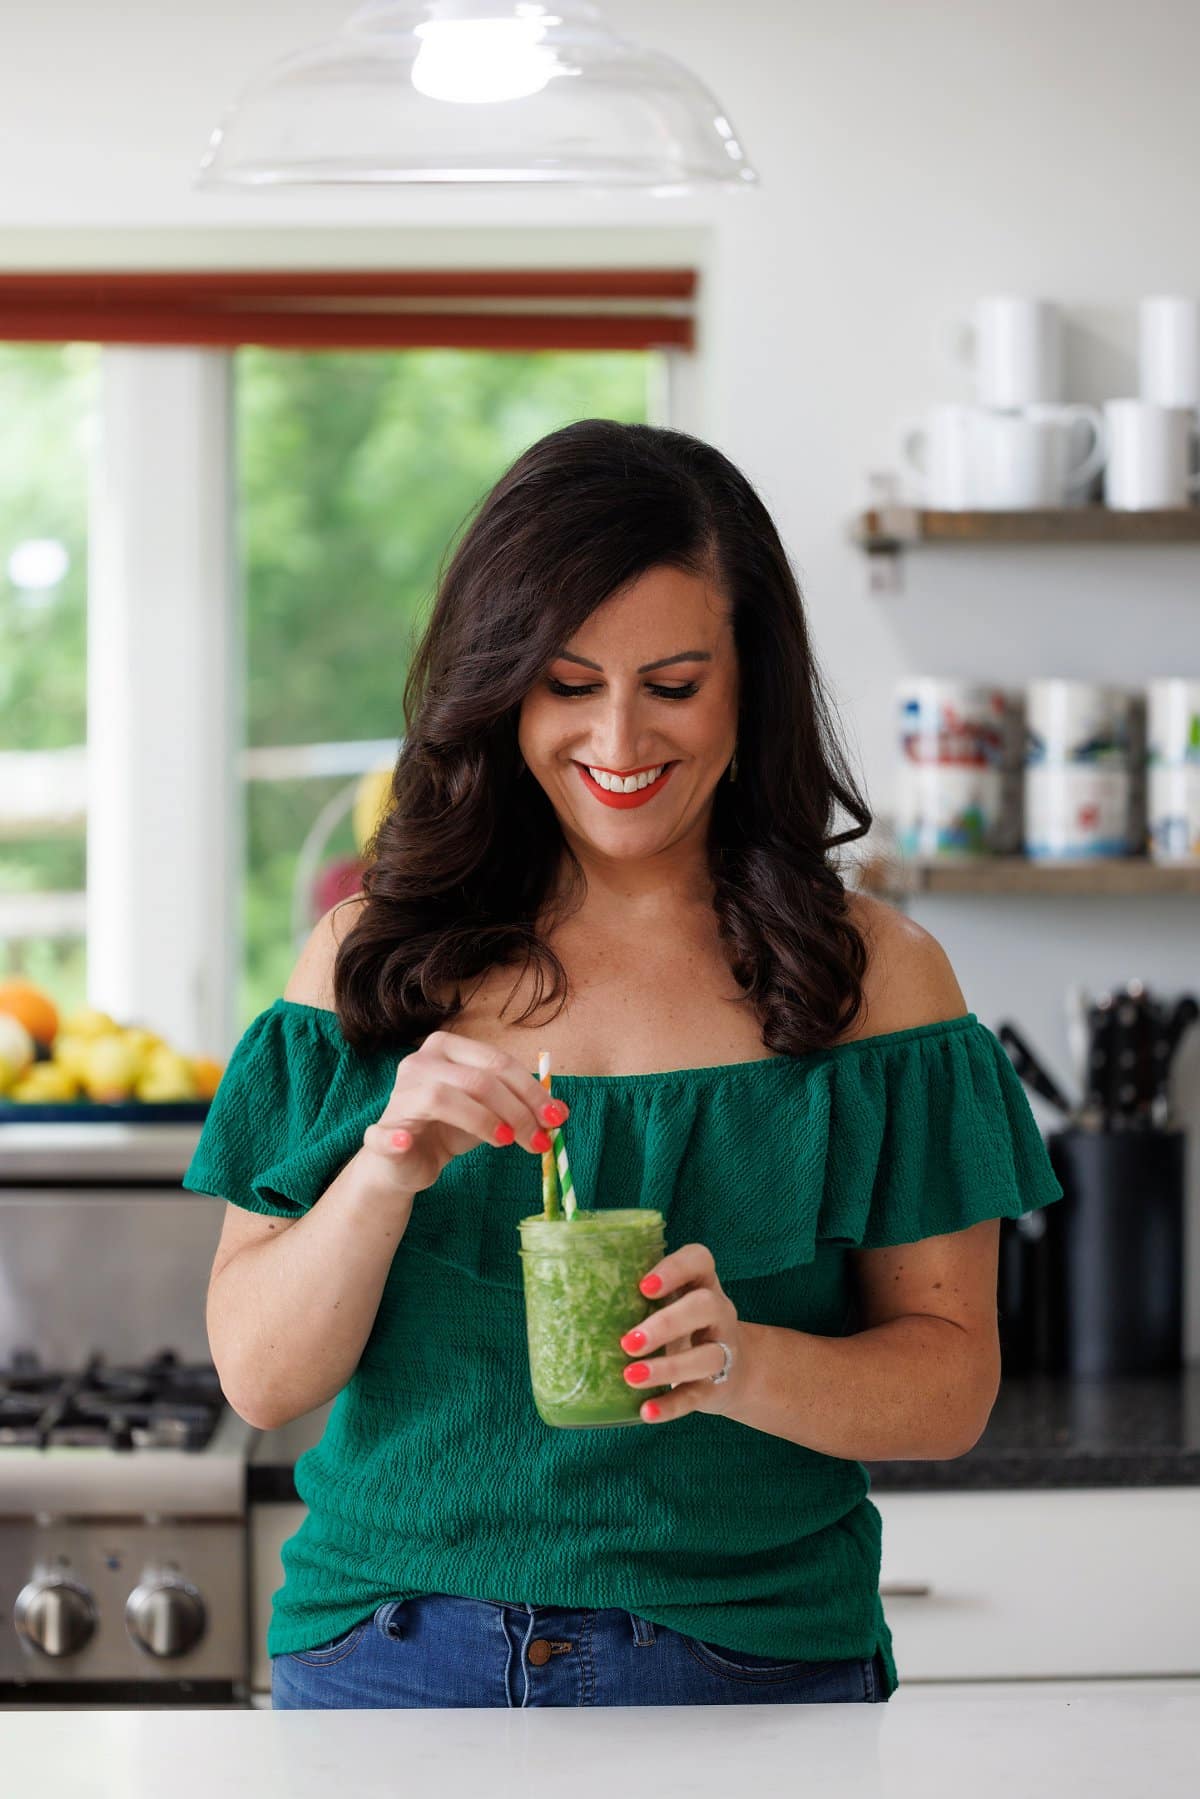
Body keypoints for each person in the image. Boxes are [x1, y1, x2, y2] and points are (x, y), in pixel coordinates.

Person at [184, 419, 1063, 1710]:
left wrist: (740, 1363)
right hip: (389, 1661)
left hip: (749, 1666)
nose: (617, 738)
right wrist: (382, 1172)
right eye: (568, 682)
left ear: (747, 680)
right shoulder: (364, 962)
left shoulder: (875, 979)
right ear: (503, 683)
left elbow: (949, 1384)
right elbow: (262, 1380)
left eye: (672, 682)